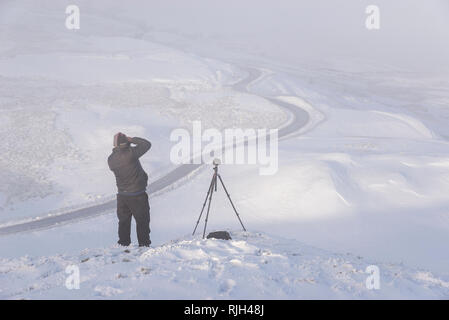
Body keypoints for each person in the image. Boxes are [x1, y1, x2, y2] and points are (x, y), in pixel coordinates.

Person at [107, 132, 152, 247]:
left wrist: (124, 143)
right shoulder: (131, 154)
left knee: (124, 222)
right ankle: (144, 245)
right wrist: (132, 139)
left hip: (122, 196)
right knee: (142, 222)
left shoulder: (111, 159)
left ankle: (123, 244)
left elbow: (118, 152)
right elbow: (146, 144)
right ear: (125, 142)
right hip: (137, 195)